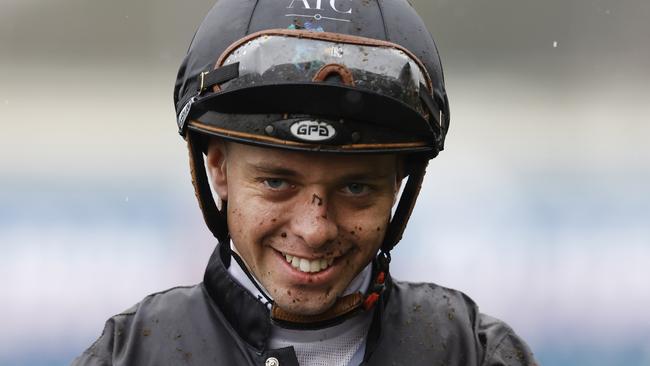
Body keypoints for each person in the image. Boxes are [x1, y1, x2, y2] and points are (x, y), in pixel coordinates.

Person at [73, 0, 538, 365]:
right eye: (278, 182)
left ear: (400, 184)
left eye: (356, 188)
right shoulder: (130, 355)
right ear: (217, 169)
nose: (315, 230)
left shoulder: (474, 354)